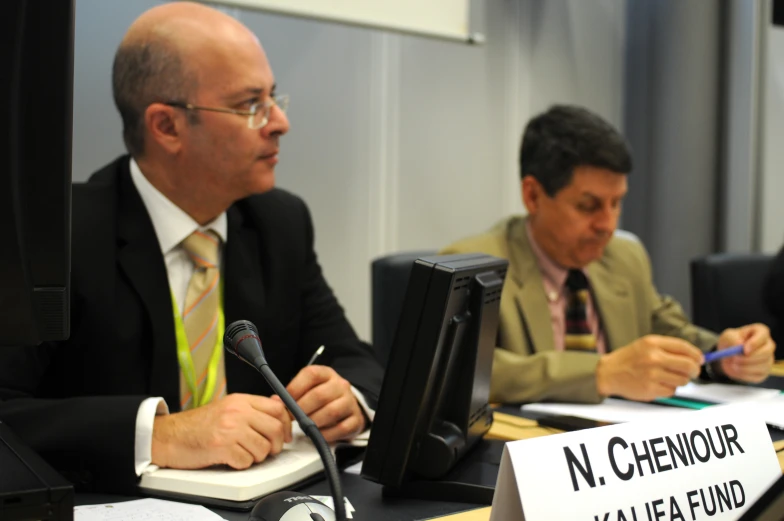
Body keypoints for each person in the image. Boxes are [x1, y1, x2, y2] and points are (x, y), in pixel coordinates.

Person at [0, 2, 383, 494]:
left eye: (274, 97)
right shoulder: (60, 237)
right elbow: (6, 411)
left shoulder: (280, 223)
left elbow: (355, 357)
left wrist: (347, 396)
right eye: (251, 105)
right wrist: (161, 434)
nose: (280, 121)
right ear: (166, 127)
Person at [441, 105, 775, 405]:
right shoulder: (475, 265)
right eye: (589, 206)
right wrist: (599, 373)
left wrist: (723, 354)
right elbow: (460, 372)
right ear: (533, 195)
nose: (608, 224)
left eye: (617, 203)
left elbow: (670, 331)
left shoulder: (625, 256)